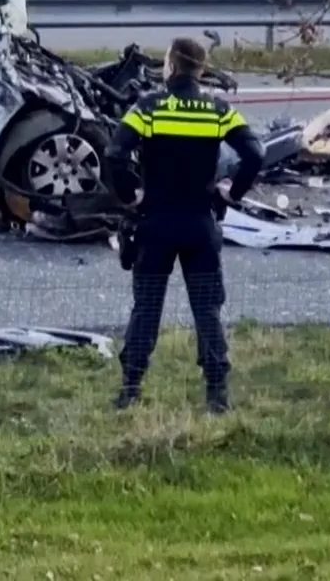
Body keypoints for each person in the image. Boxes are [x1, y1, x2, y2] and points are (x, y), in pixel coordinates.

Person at [104, 37, 264, 414]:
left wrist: (131, 195)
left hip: (155, 224)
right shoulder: (217, 110)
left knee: (146, 308)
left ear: (172, 66)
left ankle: (131, 387)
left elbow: (114, 153)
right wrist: (232, 194)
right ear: (201, 70)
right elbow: (255, 153)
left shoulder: (148, 108)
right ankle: (217, 394)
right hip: (200, 226)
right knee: (207, 310)